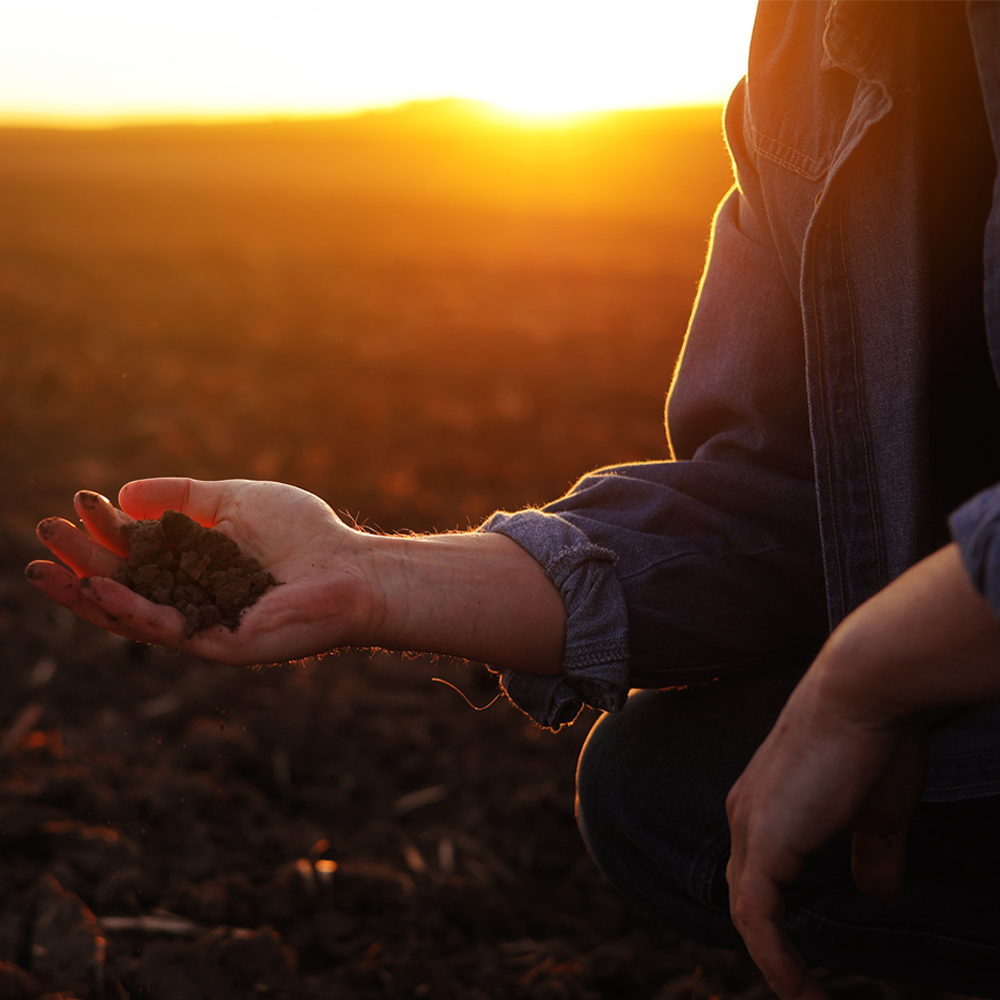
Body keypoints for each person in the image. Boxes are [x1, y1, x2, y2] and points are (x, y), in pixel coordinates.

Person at [25, 2, 1000, 997]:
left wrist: (871, 676)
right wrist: (371, 573)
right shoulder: (805, 39)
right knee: (665, 784)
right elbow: (787, 487)